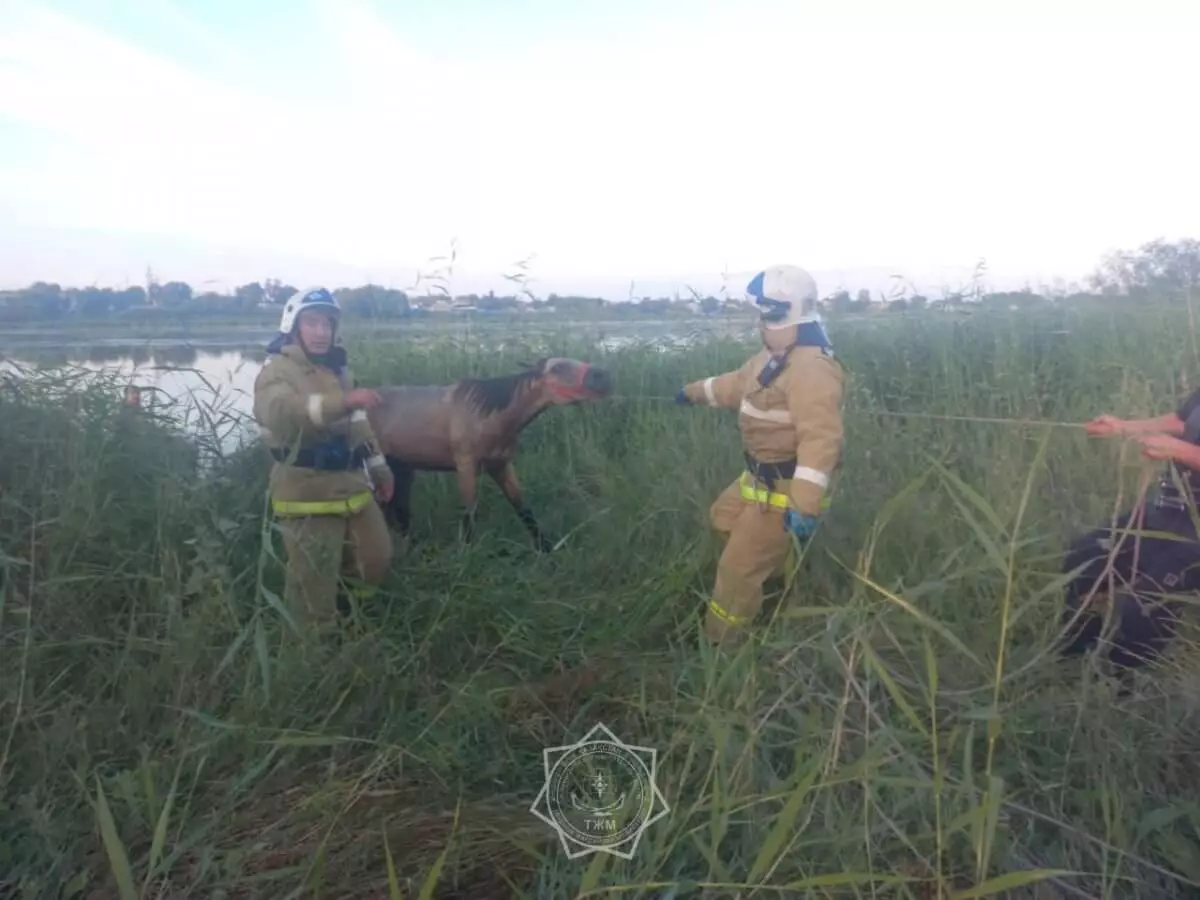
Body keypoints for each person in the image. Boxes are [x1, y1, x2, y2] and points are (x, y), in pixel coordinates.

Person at [675, 264, 845, 645]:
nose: (759, 322)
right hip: (756, 477)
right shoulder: (772, 357)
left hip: (784, 490)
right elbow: (736, 385)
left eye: (765, 313)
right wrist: (693, 392)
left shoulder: (811, 367)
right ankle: (773, 583)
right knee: (721, 518)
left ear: (784, 311)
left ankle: (722, 647)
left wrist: (805, 504)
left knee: (736, 570)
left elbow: (821, 438)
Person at [252, 287, 395, 634]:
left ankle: (352, 620)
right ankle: (313, 657)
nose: (321, 332)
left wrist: (379, 468)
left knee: (375, 560)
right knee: (312, 585)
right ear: (294, 326)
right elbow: (282, 414)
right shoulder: (277, 372)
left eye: (327, 324)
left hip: (351, 486)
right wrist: (341, 403)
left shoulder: (339, 371)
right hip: (305, 492)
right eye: (312, 322)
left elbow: (359, 424)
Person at [1057, 391, 1200, 677]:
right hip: (1170, 509)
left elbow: (1182, 442)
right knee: (1084, 558)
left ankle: (1123, 686)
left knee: (1145, 601)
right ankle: (1073, 660)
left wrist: (1181, 451)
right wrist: (1124, 427)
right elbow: (1182, 421)